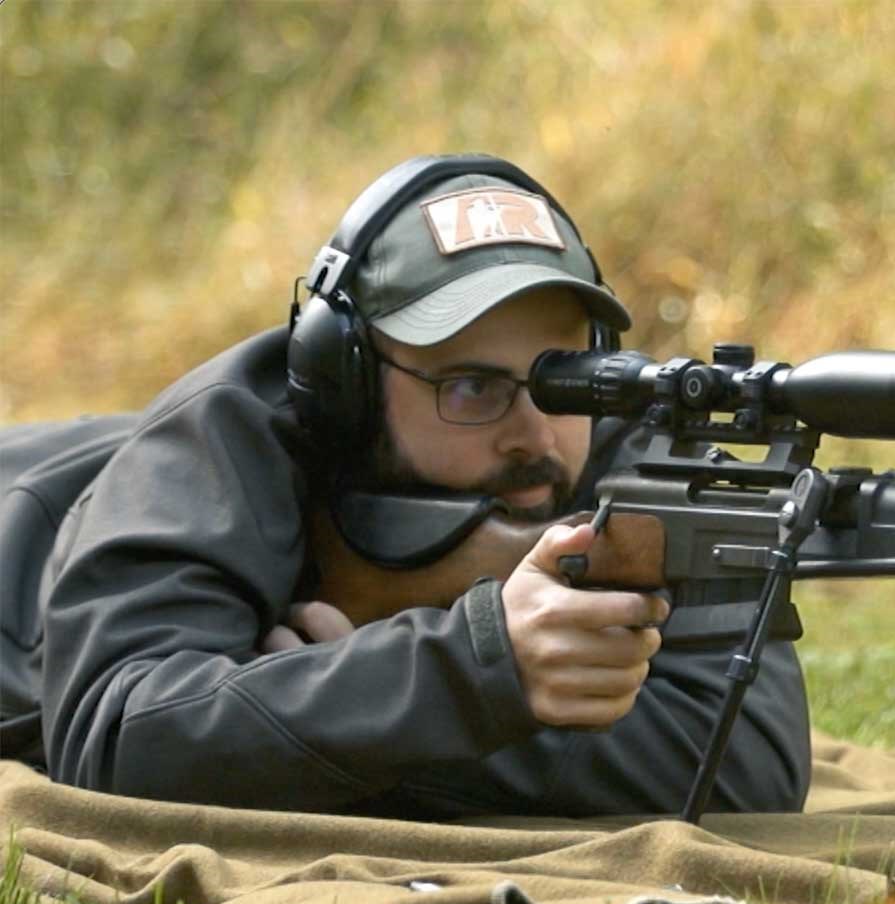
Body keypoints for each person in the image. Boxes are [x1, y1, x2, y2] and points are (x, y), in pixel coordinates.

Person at [0, 154, 811, 819]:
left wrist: (352, 708)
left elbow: (747, 766)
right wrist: (465, 671)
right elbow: (120, 740)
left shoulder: (623, 445)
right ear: (345, 382)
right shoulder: (222, 442)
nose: (534, 433)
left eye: (566, 379)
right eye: (470, 388)